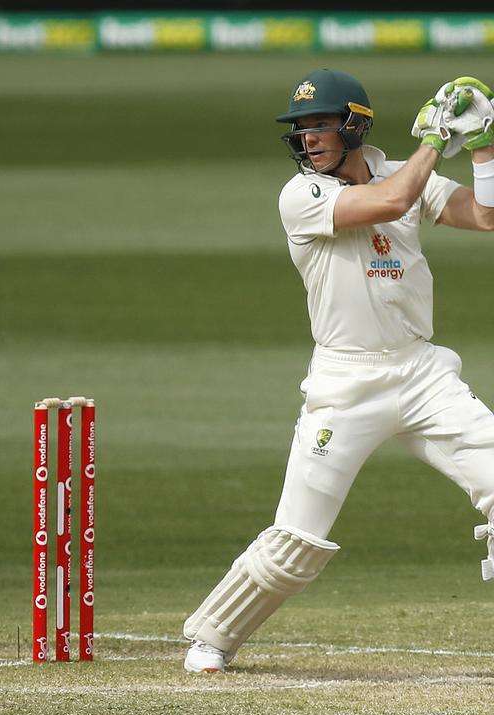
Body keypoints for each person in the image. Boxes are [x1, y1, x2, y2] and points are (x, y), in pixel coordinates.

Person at [182, 69, 494, 673]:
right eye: (300, 129)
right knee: (296, 542)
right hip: (345, 385)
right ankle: (213, 637)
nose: (308, 138)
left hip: (423, 373)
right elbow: (395, 201)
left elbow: (485, 216)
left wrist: (483, 142)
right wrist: (435, 139)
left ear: (354, 124)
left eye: (319, 124)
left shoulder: (399, 170)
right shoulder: (301, 195)